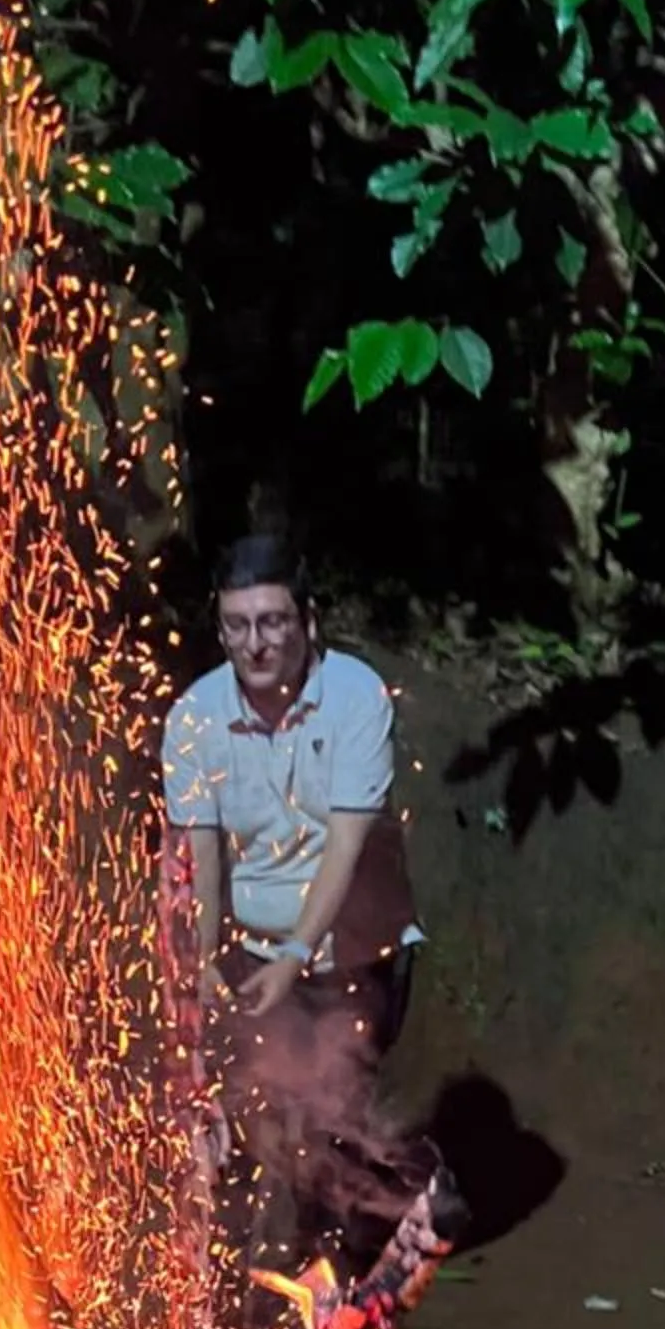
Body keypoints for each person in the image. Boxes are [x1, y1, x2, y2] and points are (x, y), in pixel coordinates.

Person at [160, 534, 422, 1268]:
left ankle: (346, 1289)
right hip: (256, 949)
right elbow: (198, 859)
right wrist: (202, 961)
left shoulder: (356, 699)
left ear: (308, 622)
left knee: (334, 1113)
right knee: (261, 1116)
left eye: (273, 621)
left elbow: (344, 844)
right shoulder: (194, 719)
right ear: (221, 629)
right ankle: (271, 1289)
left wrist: (298, 952)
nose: (257, 642)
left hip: (353, 948)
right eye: (239, 625)